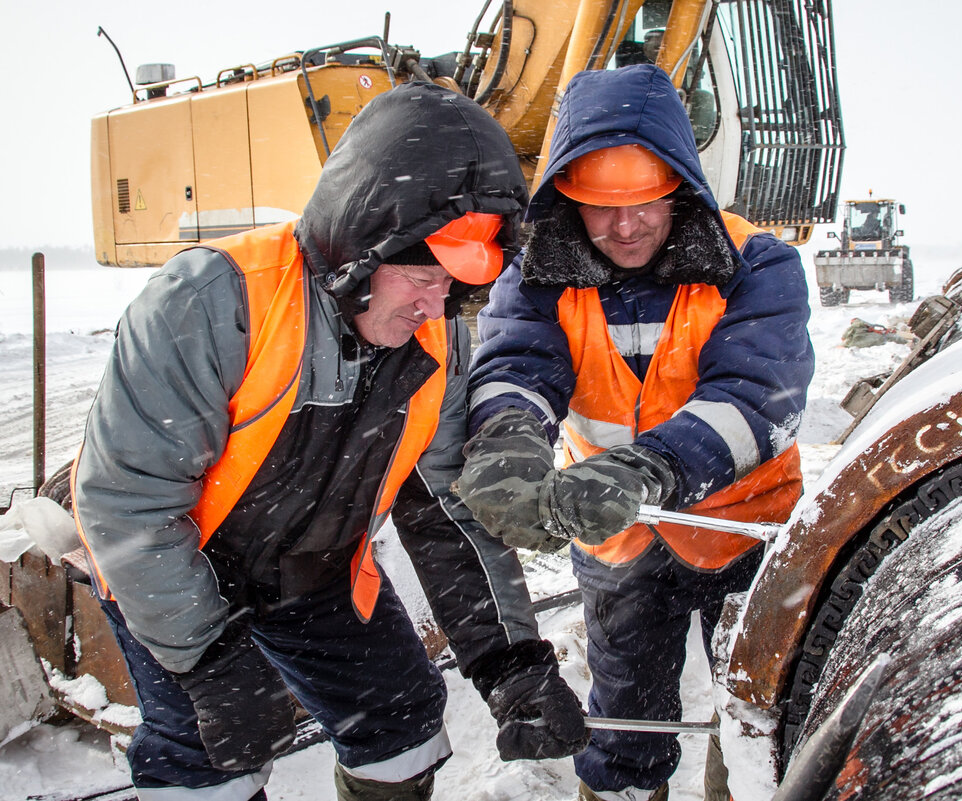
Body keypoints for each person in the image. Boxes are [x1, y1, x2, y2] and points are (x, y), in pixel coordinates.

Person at [70, 81, 588, 801]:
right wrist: (207, 657)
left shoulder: (438, 340)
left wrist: (510, 660)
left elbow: (447, 511)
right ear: (360, 241)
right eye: (420, 276)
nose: (435, 305)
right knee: (209, 756)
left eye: (454, 285)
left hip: (313, 575)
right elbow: (126, 501)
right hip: (175, 567)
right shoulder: (213, 301)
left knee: (402, 720)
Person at [458, 64, 814, 801]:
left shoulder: (757, 264)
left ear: (680, 186)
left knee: (766, 719)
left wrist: (648, 467)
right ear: (566, 198)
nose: (625, 227)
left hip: (748, 533)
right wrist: (507, 440)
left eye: (644, 202)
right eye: (600, 206)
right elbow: (517, 364)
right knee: (624, 725)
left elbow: (756, 396)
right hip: (618, 542)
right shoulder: (538, 276)